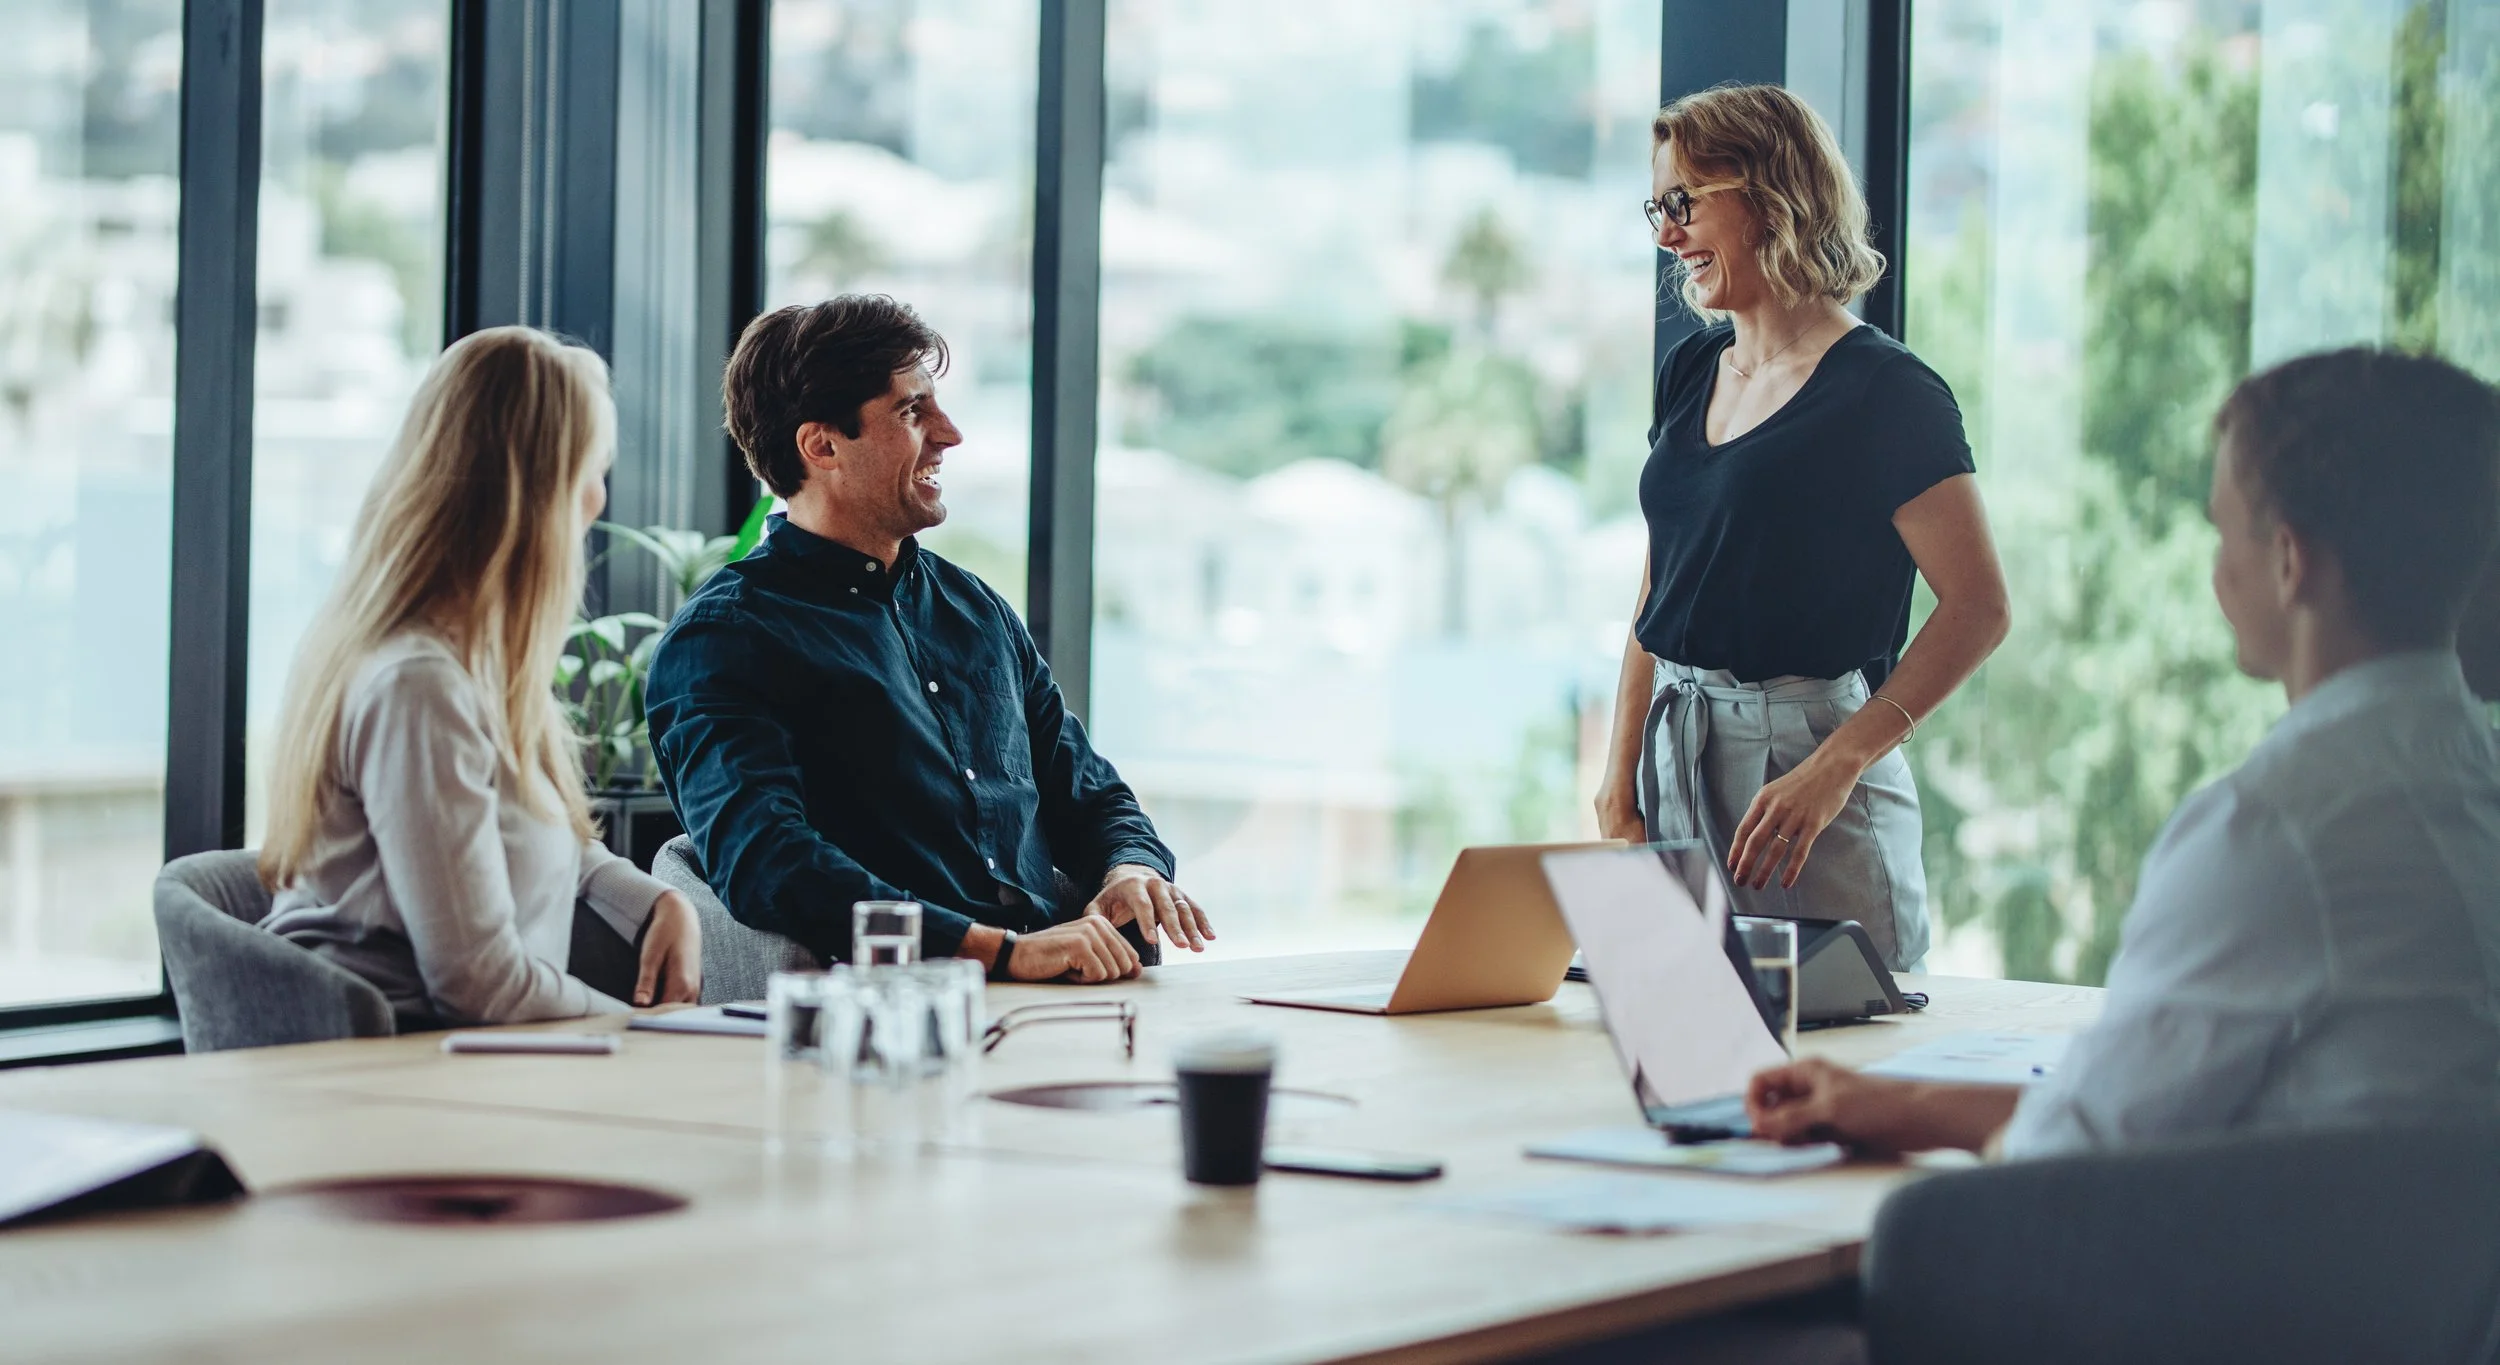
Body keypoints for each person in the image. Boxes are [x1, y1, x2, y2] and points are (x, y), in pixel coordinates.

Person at [1748, 347, 2500, 1158]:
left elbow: (2076, 1153)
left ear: (2289, 562)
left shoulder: (2272, 830)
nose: (2216, 571)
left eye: (2223, 532)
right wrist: (1894, 1102)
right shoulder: (2466, 784)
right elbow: (2125, 1107)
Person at [644, 296, 1213, 983]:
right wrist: (997, 949)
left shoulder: (976, 609)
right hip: (892, 1013)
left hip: (1056, 994)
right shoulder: (725, 638)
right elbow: (769, 863)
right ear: (821, 445)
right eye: (912, 412)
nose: (949, 434)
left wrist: (1130, 867)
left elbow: (1090, 793)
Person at [1594, 84, 2010, 971]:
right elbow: (1659, 581)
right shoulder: (1692, 366)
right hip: (1679, 741)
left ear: (1771, 193)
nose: (1666, 234)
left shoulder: (1889, 392)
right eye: (1657, 207)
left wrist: (1839, 764)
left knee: (1851, 1051)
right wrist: (1618, 771)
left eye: (1684, 202)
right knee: (1687, 1040)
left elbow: (1978, 607)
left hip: (1806, 765)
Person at [260, 327, 703, 1024]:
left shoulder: (469, 667)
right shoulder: (420, 689)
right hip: (403, 1075)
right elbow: (481, 985)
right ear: (536, 494)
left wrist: (657, 901)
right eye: (592, 469)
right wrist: (644, 1031)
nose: (598, 499)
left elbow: (529, 839)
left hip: (467, 1066)